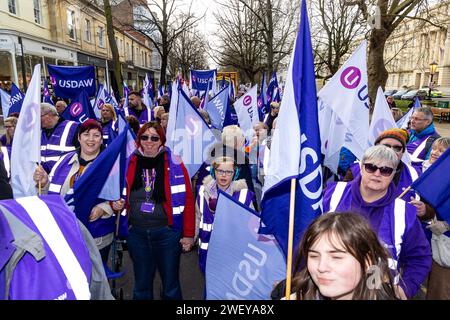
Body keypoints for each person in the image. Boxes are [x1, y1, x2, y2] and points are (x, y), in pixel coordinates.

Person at [323, 145, 432, 299]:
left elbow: (420, 257)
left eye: (385, 170)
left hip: (376, 290)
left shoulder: (404, 212)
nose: (377, 173)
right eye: (371, 167)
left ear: (393, 174)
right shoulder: (333, 193)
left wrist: (404, 290)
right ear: (361, 167)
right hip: (329, 287)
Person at [33, 119, 123, 266]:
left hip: (96, 235)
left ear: (101, 139)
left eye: (96, 135)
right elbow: (52, 193)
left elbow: (119, 196)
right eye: (86, 134)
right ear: (79, 137)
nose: (91, 139)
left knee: (94, 280)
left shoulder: (110, 164)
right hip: (64, 232)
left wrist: (103, 209)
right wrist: (43, 183)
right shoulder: (64, 160)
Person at [125, 121, 195, 300]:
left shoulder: (175, 163)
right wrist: (113, 205)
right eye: (144, 137)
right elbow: (115, 191)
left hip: (167, 234)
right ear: (138, 139)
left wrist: (188, 234)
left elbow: (187, 199)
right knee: (141, 285)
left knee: (170, 285)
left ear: (161, 141)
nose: (149, 141)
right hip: (137, 233)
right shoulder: (128, 161)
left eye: (154, 138)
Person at [0, 195, 113, 300]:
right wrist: (45, 186)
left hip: (80, 233)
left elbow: (110, 197)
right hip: (62, 224)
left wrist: (104, 208)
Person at [272, 213, 398, 300]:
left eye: (336, 257)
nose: (321, 267)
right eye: (314, 256)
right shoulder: (288, 291)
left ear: (367, 261)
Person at [196, 156, 255, 273]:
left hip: (234, 250)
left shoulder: (244, 195)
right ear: (213, 172)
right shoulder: (203, 192)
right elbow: (197, 217)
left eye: (229, 172)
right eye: (220, 171)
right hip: (209, 249)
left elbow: (252, 223)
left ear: (235, 174)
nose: (224, 175)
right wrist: (191, 238)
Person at [422, 137, 450, 300]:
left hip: (443, 243)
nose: (435, 152)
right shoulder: (423, 171)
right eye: (434, 148)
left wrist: (447, 224)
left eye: (441, 150)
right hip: (424, 238)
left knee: (439, 290)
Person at [40, 103, 79, 172]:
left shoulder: (73, 127)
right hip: (43, 178)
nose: (37, 120)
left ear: (49, 114)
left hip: (65, 177)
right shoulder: (38, 132)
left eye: (40, 116)